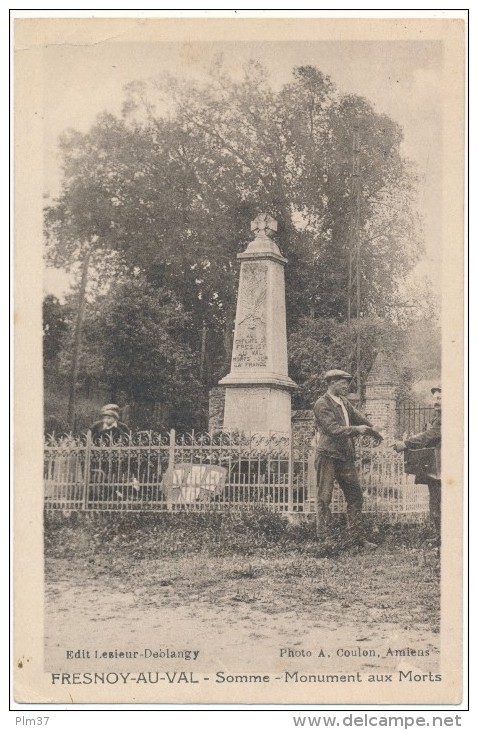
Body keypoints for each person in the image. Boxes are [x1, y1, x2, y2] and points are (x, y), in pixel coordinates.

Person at [313, 369, 383, 548]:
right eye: (342, 382)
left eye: (346, 382)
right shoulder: (322, 404)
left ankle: (356, 537)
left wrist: (374, 429)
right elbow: (333, 430)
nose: (346, 385)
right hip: (328, 456)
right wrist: (356, 429)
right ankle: (325, 539)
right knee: (324, 498)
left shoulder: (344, 402)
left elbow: (359, 417)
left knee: (355, 496)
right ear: (331, 383)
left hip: (345, 457)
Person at [393, 385, 441, 540]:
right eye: (435, 398)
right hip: (437, 465)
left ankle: (445, 538)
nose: (436, 401)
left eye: (440, 398)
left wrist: (406, 443)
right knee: (435, 500)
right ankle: (441, 536)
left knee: (440, 501)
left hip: (445, 466)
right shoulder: (437, 416)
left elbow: (430, 435)